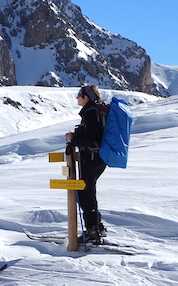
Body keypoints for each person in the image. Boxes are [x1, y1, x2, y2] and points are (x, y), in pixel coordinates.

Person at [65, 84, 107, 244]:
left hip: (90, 158)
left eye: (79, 95)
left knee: (84, 194)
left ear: (86, 97)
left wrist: (72, 138)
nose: (77, 97)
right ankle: (96, 227)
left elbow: (90, 138)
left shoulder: (90, 112)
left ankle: (93, 231)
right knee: (88, 192)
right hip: (98, 158)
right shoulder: (97, 111)